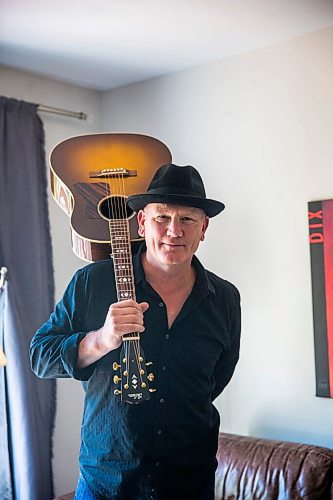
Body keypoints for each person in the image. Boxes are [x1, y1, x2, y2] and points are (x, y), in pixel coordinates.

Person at [30, 164, 241, 500]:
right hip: (108, 484)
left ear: (203, 228)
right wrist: (99, 339)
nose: (174, 231)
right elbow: (40, 357)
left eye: (187, 219)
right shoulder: (92, 282)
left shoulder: (225, 298)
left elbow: (216, 379)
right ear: (142, 222)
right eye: (162, 218)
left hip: (190, 483)